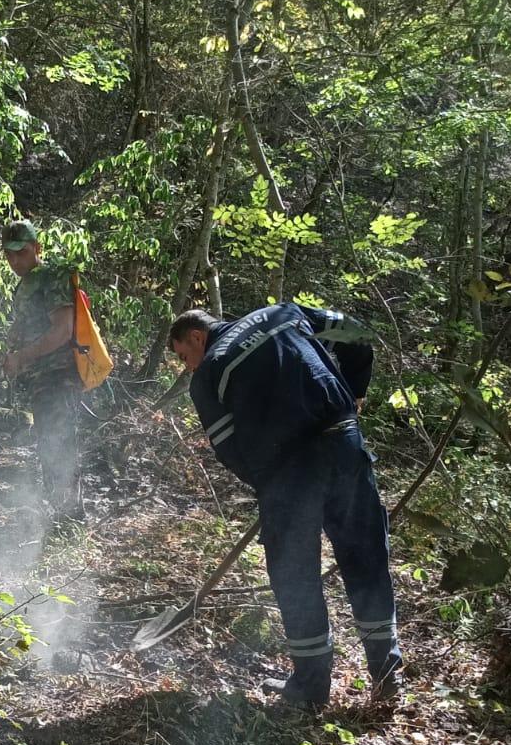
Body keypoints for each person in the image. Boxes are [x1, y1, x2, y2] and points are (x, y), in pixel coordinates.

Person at [168, 304, 401, 709]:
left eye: (184, 356)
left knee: (295, 576)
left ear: (196, 337)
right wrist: (355, 392)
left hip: (286, 471)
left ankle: (311, 690)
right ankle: (387, 674)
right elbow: (359, 335)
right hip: (343, 442)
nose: (189, 367)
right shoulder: (281, 313)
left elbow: (228, 449)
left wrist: (271, 486)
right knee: (365, 556)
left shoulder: (208, 376)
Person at [0, 219, 83, 522]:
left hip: (58, 376)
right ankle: (59, 513)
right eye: (8, 254)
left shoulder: (51, 276)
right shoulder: (26, 284)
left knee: (60, 444)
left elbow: (62, 331)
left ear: (37, 247)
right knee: (49, 442)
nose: (14, 260)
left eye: (20, 252)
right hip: (41, 379)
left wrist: (22, 356)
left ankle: (70, 517)